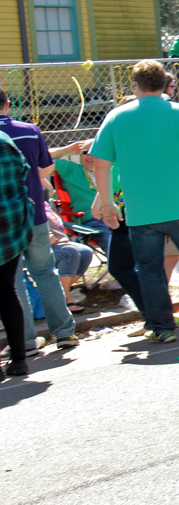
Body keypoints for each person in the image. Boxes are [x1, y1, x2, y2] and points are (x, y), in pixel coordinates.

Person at [91, 60, 179, 345]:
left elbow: (101, 165)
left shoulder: (117, 117)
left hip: (141, 211)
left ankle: (161, 326)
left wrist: (107, 204)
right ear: (166, 83)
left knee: (149, 270)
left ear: (136, 85)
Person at [0, 90, 78, 352]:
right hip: (33, 214)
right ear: (8, 105)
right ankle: (64, 332)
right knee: (45, 271)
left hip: (4, 222)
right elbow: (46, 169)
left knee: (12, 282)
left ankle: (24, 341)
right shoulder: (29, 130)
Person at [0, 130, 34, 379]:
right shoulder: (4, 140)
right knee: (6, 291)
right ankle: (19, 359)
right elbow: (23, 171)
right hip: (10, 225)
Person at [45, 202, 93, 314]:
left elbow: (50, 189)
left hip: (60, 242)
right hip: (40, 244)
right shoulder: (26, 201)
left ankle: (56, 293)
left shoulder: (44, 202)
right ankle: (66, 299)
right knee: (69, 253)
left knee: (86, 252)